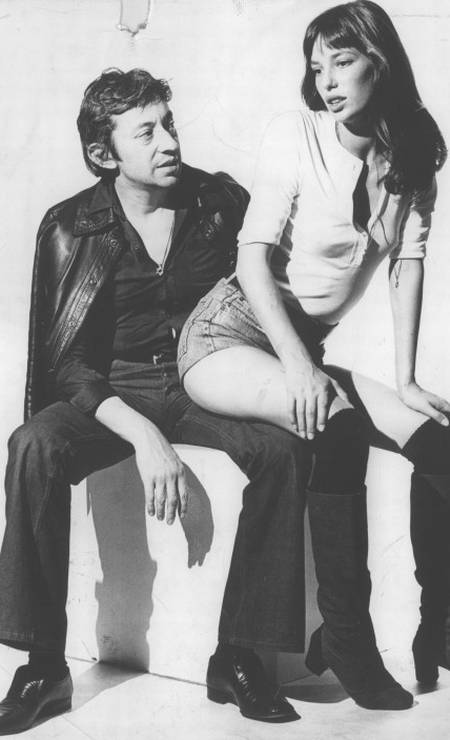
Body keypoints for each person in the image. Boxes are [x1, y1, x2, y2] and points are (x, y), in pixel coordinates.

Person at [0, 67, 318, 734]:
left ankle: (237, 658)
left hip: (204, 377)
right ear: (103, 154)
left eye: (168, 124)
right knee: (32, 446)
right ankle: (43, 666)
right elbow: (67, 363)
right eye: (146, 132)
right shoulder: (70, 226)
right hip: (111, 389)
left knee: (282, 450)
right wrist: (144, 437)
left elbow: (274, 288)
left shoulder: (218, 202)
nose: (169, 141)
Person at [178, 0, 450, 710]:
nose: (326, 79)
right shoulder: (295, 134)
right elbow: (251, 260)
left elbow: (408, 263)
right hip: (227, 336)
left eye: (343, 61)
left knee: (441, 444)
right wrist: (300, 367)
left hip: (297, 349)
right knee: (336, 424)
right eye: (316, 65)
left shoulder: (415, 155)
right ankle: (348, 639)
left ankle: (439, 630)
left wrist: (407, 380)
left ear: (380, 64)